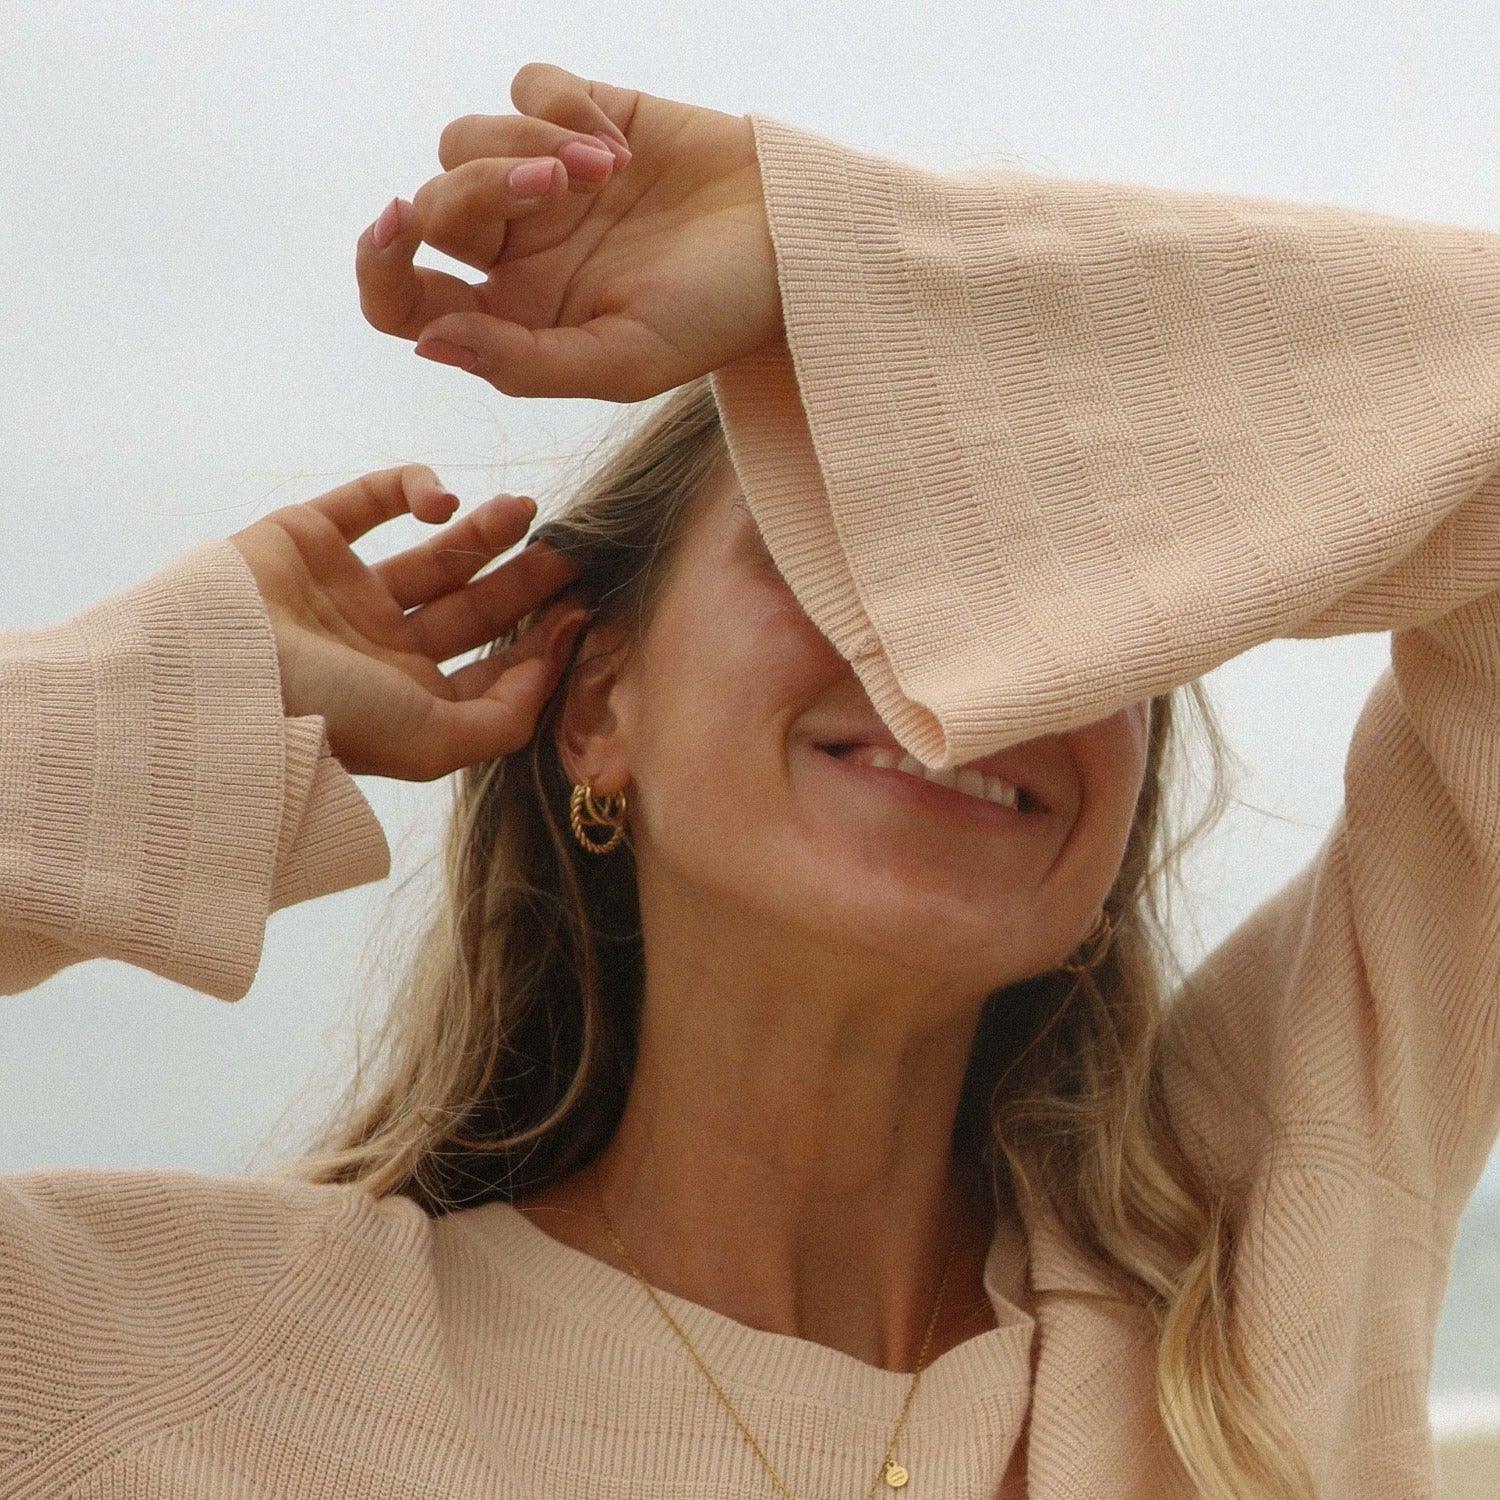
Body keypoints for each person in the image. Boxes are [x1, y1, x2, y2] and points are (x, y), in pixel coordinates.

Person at [1, 58, 1496, 1500]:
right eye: (833, 542)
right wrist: (175, 701)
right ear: (599, 703)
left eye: (1058, 597)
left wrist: (845, 262)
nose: (954, 669)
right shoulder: (138, 1366)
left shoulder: (1257, 1269)